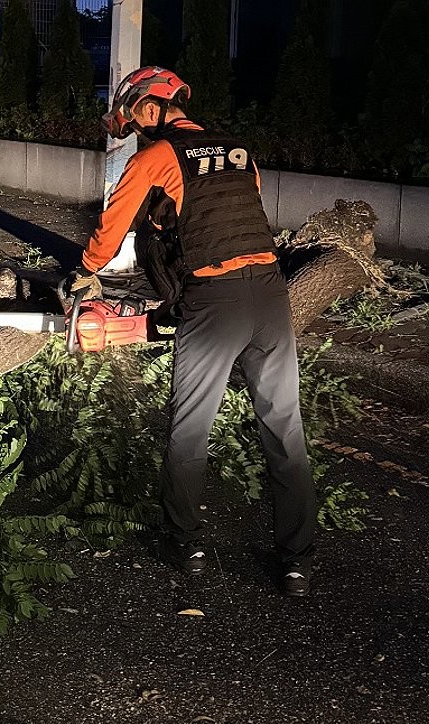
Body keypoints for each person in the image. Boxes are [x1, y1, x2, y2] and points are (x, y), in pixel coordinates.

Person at [67, 66, 317, 596]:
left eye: (134, 114)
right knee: (284, 431)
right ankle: (297, 561)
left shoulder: (154, 156)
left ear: (152, 108)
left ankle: (186, 542)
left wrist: (86, 271)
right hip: (271, 295)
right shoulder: (241, 152)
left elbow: (112, 229)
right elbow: (228, 213)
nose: (134, 125)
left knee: (189, 428)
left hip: (215, 302)